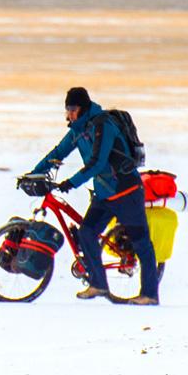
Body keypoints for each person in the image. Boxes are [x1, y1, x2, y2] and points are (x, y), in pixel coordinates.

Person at [29, 86, 160, 305]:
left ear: (83, 107)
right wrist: (34, 174)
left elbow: (98, 162)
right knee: (87, 233)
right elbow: (57, 153)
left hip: (126, 191)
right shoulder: (77, 131)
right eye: (67, 109)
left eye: (73, 108)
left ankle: (150, 294)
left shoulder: (103, 125)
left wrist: (72, 182)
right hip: (104, 193)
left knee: (140, 242)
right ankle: (98, 284)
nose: (69, 113)